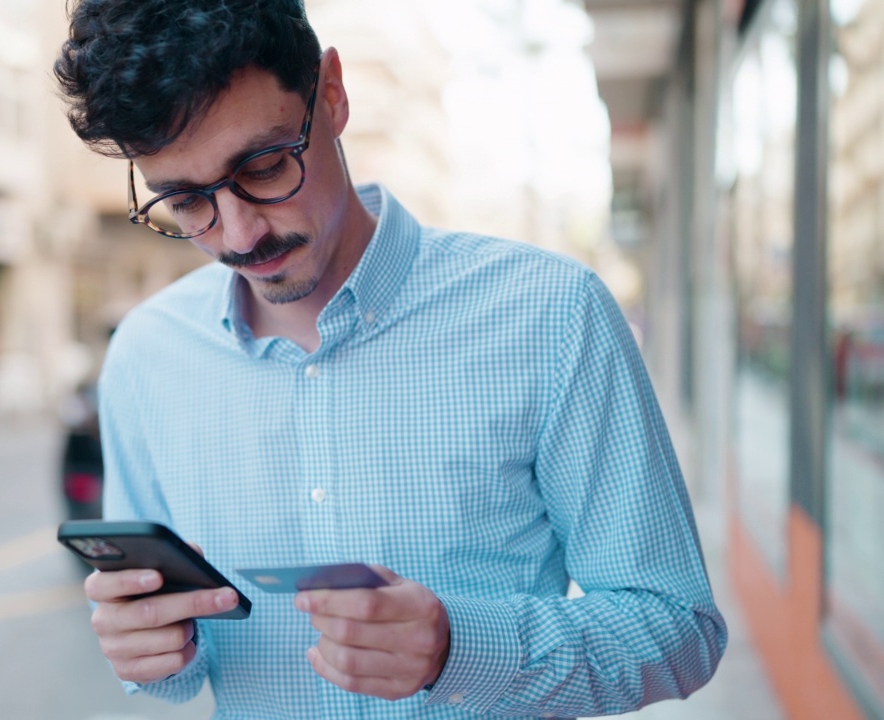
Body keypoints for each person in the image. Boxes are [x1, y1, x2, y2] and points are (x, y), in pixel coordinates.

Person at [52, 1, 727, 717]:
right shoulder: (146, 358)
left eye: (265, 163)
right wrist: (145, 651)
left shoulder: (552, 316)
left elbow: (677, 630)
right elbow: (168, 664)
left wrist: (457, 647)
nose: (241, 234)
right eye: (186, 202)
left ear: (332, 93)